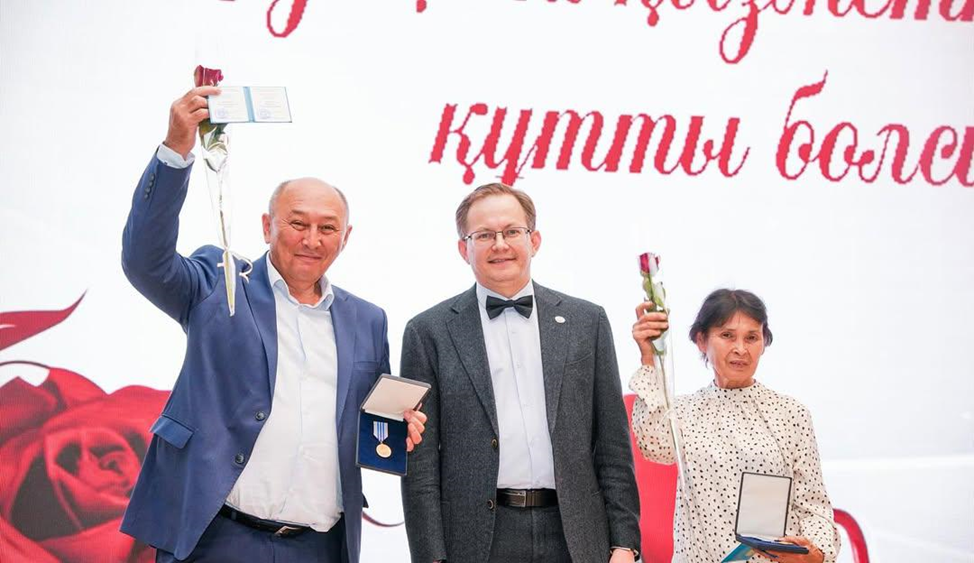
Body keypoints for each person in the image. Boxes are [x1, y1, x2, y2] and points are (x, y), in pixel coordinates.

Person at [119, 85, 426, 563]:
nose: (312, 239)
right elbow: (145, 260)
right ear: (267, 227)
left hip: (320, 545)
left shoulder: (368, 320)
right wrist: (177, 150)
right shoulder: (219, 283)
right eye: (297, 223)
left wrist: (396, 428)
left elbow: (364, 423)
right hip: (218, 539)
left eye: (327, 228)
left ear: (345, 237)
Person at [400, 183, 640, 563]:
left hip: (576, 534)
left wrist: (625, 543)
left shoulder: (586, 322)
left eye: (512, 231)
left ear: (534, 240)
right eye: (484, 235)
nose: (500, 245)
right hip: (476, 540)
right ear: (464, 249)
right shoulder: (428, 332)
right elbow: (421, 463)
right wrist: (431, 555)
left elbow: (612, 443)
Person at [630, 289, 840, 563]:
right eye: (727, 335)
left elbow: (813, 505)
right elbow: (653, 445)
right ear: (701, 340)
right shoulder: (683, 412)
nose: (741, 349)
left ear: (764, 343)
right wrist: (648, 357)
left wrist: (814, 554)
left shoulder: (791, 413)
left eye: (752, 337)